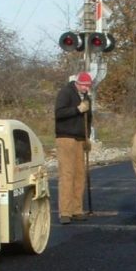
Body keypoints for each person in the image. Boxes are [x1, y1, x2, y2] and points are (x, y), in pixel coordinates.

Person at [55, 71, 93, 225]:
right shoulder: (66, 93)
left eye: (88, 86)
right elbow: (59, 113)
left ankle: (77, 209)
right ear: (77, 83)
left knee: (79, 175)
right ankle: (65, 212)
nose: (85, 88)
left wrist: (87, 137)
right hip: (66, 137)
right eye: (83, 85)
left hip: (79, 138)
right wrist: (77, 109)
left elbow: (88, 120)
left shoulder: (86, 98)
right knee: (67, 174)